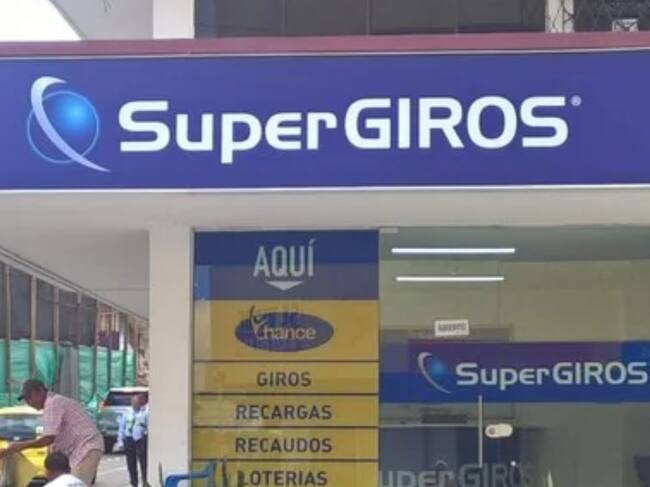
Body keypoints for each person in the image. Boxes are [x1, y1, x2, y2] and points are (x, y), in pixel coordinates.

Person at [0, 379, 104, 485]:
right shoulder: (52, 403)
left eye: (30, 398)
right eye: (26, 400)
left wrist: (21, 446)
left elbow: (48, 439)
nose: (29, 403)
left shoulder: (53, 403)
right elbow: (53, 440)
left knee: (74, 484)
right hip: (76, 451)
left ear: (39, 391)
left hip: (86, 447)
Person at [117, 394, 148, 487]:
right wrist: (120, 441)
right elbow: (122, 428)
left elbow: (148, 426)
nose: (135, 404)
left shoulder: (144, 413)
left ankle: (145, 481)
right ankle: (134, 483)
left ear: (140, 403)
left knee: (143, 462)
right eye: (133, 402)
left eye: (137, 403)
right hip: (129, 439)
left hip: (140, 439)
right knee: (131, 463)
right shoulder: (127, 413)